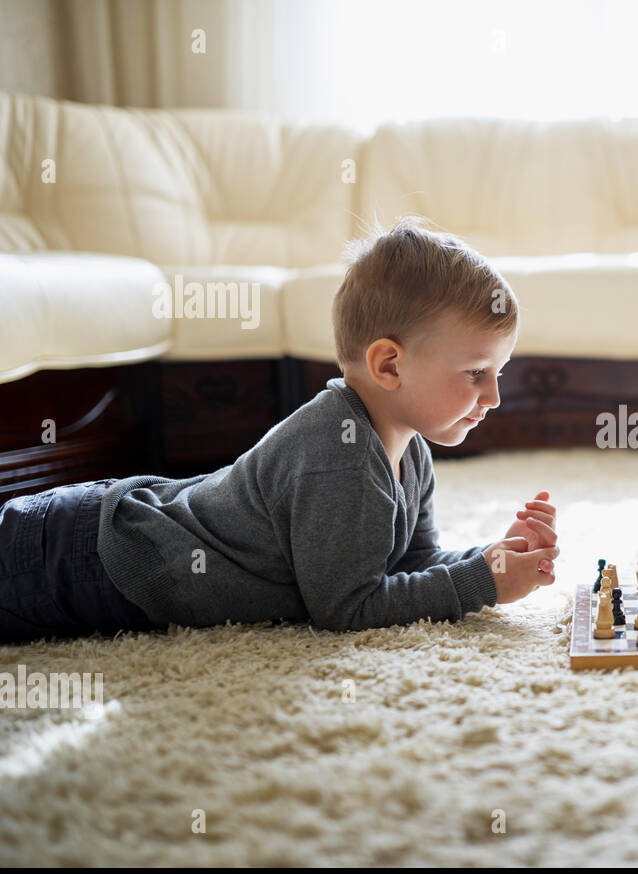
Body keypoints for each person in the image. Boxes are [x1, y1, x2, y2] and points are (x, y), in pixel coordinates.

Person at [0, 218, 559, 641]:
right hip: (84, 559)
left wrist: (488, 560)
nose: (494, 397)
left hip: (107, 532)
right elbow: (347, 607)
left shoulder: (411, 451)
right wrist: (482, 586)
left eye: (498, 373)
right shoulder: (338, 453)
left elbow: (407, 566)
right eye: (476, 373)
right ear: (389, 365)